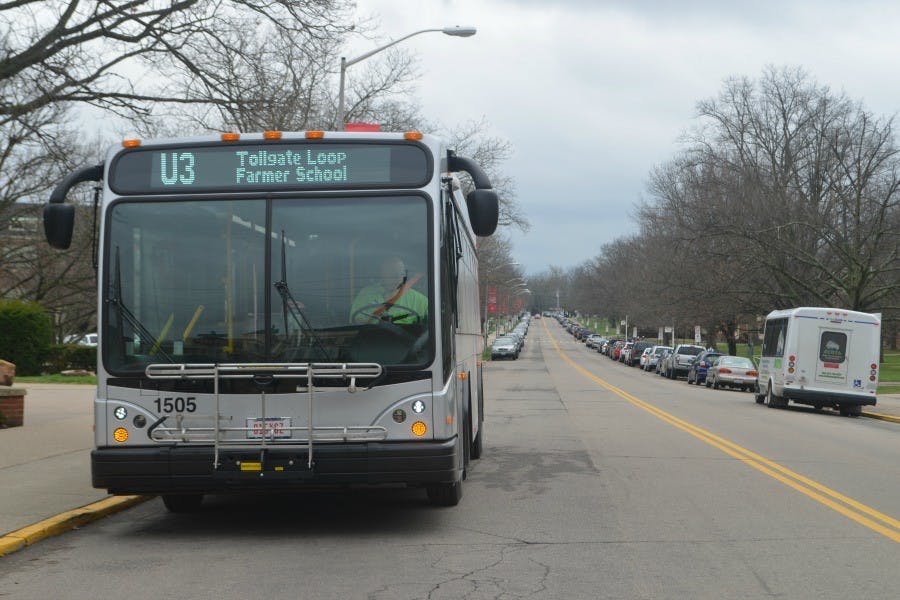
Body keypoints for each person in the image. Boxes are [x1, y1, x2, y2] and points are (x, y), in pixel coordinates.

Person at [349, 256, 428, 325]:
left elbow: (432, 322)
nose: (397, 277)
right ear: (382, 274)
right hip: (373, 336)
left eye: (401, 273)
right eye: (393, 273)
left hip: (407, 337)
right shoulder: (366, 293)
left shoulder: (418, 299)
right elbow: (356, 322)